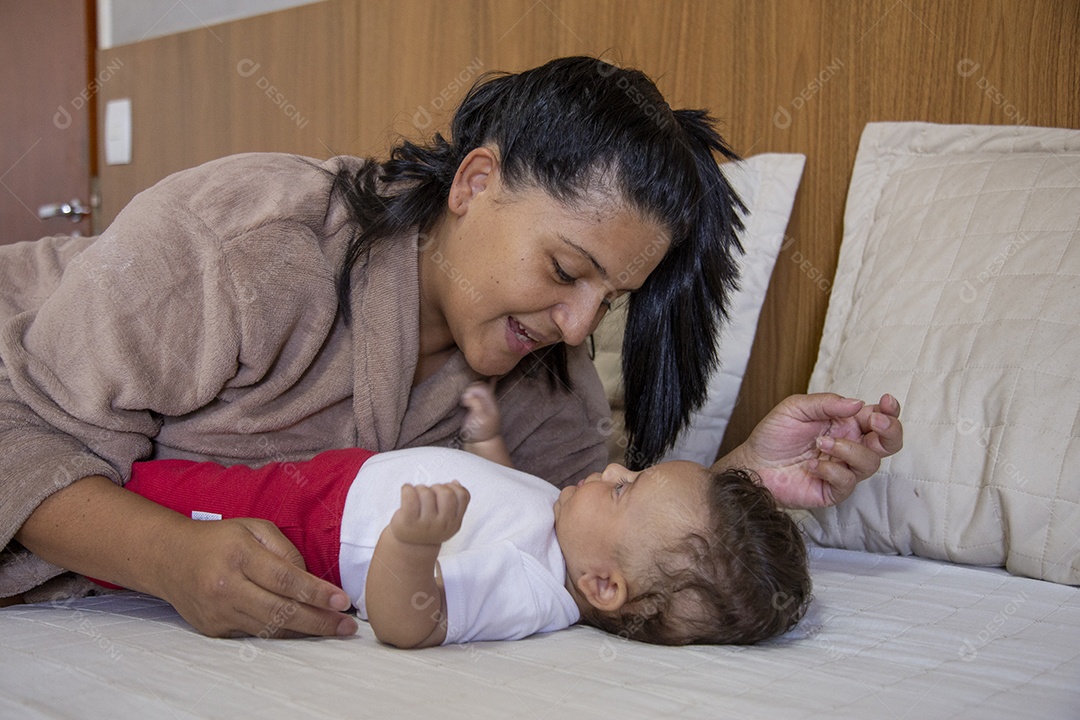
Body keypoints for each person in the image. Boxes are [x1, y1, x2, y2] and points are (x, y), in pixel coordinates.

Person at [0, 56, 901, 637]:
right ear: (476, 181)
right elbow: (18, 429)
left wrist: (738, 481)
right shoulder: (250, 243)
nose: (580, 327)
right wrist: (165, 558)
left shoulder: (547, 383)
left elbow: (593, 560)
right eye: (562, 267)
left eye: (610, 299)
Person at [109, 386, 811, 647]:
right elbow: (507, 490)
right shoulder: (561, 522)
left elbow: (411, 621)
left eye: (625, 492)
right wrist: (486, 442)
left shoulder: (534, 587)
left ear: (603, 586)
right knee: (168, 479)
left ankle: (66, 536)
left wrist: (413, 544)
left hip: (311, 532)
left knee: (153, 500)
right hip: (330, 487)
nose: (614, 469)